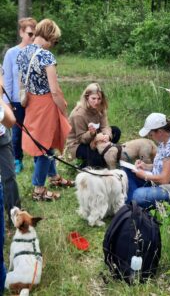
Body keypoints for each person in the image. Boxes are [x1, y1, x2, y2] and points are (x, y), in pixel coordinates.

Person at [17, 18, 73, 201]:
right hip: (46, 104)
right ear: (49, 36)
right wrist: (64, 111)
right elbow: (54, 90)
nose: (53, 45)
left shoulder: (22, 53)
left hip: (31, 103)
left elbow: (20, 84)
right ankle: (39, 190)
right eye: (54, 41)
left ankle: (54, 177)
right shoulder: (46, 56)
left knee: (41, 142)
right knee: (44, 147)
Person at [123, 113, 170, 211]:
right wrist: (146, 166)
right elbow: (163, 165)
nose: (150, 137)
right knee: (127, 171)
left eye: (151, 134)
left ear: (160, 132)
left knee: (138, 195)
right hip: (161, 184)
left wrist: (144, 175)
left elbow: (165, 179)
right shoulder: (163, 142)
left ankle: (133, 203)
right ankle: (133, 204)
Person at [3, 17, 37, 174]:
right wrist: (7, 103)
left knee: (37, 131)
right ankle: (17, 160)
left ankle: (39, 158)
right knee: (17, 133)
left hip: (35, 100)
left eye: (34, 34)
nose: (32, 37)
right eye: (29, 33)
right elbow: (7, 79)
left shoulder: (38, 52)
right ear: (21, 33)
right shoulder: (11, 53)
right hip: (17, 100)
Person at [66, 83, 121, 168]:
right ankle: (85, 163)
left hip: (96, 136)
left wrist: (107, 135)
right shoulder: (78, 114)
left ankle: (103, 152)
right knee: (98, 162)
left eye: (99, 99)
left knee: (116, 131)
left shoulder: (100, 108)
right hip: (78, 144)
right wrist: (91, 134)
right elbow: (81, 138)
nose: (96, 102)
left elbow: (105, 126)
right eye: (93, 98)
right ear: (87, 97)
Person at [0, 81, 16, 295]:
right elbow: (11, 119)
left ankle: (13, 213)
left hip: (2, 137)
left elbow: (9, 121)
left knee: (10, 176)